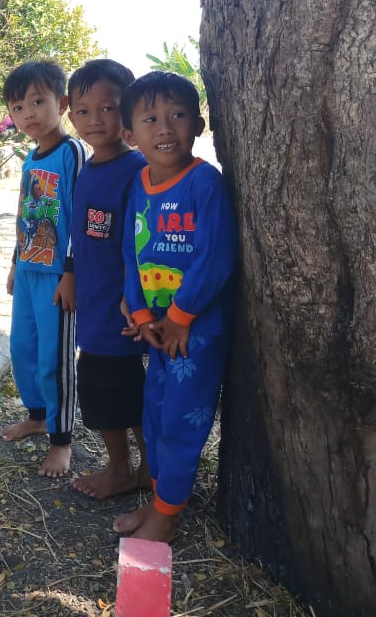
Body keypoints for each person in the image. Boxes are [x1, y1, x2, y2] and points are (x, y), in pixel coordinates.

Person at [113, 71, 237, 542]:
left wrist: (181, 316)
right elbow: (132, 251)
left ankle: (168, 516)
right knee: (156, 415)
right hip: (158, 329)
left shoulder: (205, 183)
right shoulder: (140, 184)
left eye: (178, 116)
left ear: (198, 124)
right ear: (131, 134)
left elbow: (217, 254)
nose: (166, 128)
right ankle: (160, 499)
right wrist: (143, 315)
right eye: (151, 119)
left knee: (184, 419)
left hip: (196, 331)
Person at [66, 59, 151, 500]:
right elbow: (80, 234)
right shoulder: (88, 167)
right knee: (111, 386)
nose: (94, 120)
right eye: (82, 111)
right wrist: (70, 273)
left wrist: (135, 299)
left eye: (108, 108)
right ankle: (135, 469)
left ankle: (127, 469)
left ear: (128, 110)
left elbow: (145, 242)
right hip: (94, 301)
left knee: (115, 386)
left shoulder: (138, 170)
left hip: (122, 308)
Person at [0, 60, 86, 477]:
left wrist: (70, 271)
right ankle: (36, 415)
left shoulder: (71, 153)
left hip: (57, 276)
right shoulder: (31, 158)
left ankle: (61, 439)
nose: (28, 114)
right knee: (24, 349)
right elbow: (25, 213)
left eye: (37, 102)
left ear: (62, 103)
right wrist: (16, 262)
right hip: (31, 270)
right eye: (18, 107)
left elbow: (80, 216)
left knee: (55, 357)